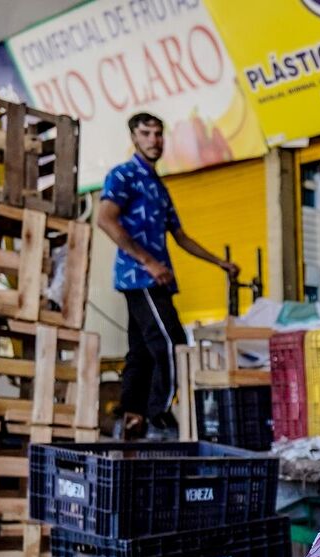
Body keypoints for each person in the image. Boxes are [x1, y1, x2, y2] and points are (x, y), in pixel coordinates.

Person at [95, 112, 239, 439]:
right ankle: (161, 417)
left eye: (159, 133)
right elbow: (104, 219)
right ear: (134, 137)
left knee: (141, 352)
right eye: (146, 133)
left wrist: (220, 263)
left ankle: (132, 420)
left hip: (157, 278)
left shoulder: (158, 185)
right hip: (141, 278)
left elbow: (181, 236)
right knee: (172, 345)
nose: (154, 140)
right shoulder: (123, 175)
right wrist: (148, 262)